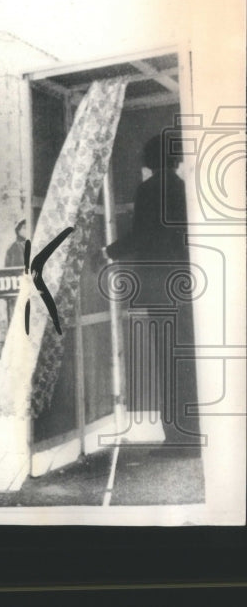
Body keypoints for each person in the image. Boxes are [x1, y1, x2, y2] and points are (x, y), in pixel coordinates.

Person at [104, 134, 200, 448]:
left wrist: (107, 252)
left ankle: (176, 437)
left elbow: (140, 236)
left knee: (167, 362)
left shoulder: (148, 190)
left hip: (159, 287)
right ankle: (190, 433)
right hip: (184, 285)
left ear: (150, 158)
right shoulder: (183, 189)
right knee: (185, 359)